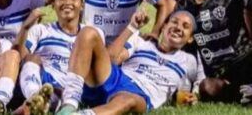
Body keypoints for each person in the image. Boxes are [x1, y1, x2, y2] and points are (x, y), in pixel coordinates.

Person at [55, 10, 201, 115]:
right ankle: (69, 105)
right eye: (174, 22)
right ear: (163, 27)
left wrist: (194, 95)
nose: (178, 27)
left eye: (185, 26)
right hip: (117, 78)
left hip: (141, 94)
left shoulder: (189, 61)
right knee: (88, 32)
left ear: (190, 38)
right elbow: (112, 59)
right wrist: (132, 28)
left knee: (127, 100)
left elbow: (195, 88)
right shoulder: (141, 42)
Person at [14, 0, 86, 114]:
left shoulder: (90, 34)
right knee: (32, 57)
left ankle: (36, 105)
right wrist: (25, 28)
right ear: (53, 4)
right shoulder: (41, 30)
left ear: (82, 5)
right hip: (44, 82)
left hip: (74, 86)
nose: (67, 2)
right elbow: (21, 58)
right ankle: (35, 98)